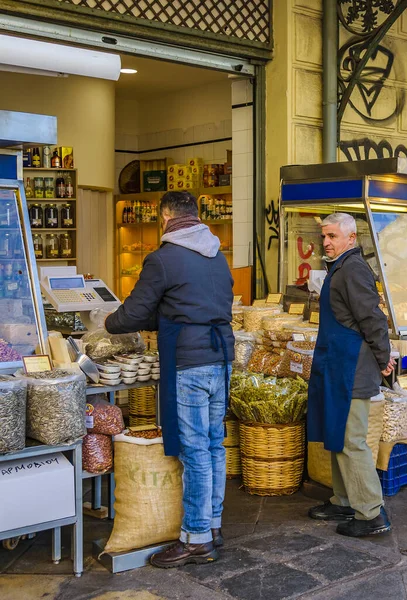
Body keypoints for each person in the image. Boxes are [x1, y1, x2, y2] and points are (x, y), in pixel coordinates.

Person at [105, 191, 234, 567]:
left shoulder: (162, 259)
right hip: (221, 358)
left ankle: (194, 538)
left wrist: (107, 322)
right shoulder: (217, 255)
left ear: (165, 217)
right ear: (196, 216)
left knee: (194, 449)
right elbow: (198, 304)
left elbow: (134, 314)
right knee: (214, 446)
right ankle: (212, 526)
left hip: (188, 363)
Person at [307, 212, 394, 537]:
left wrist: (384, 358)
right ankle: (344, 500)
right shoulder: (341, 267)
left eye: (332, 237)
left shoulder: (353, 269)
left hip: (351, 368)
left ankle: (372, 513)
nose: (326, 242)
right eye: (324, 237)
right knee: (338, 434)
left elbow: (373, 318)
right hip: (338, 364)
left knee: (351, 439)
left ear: (351, 238)